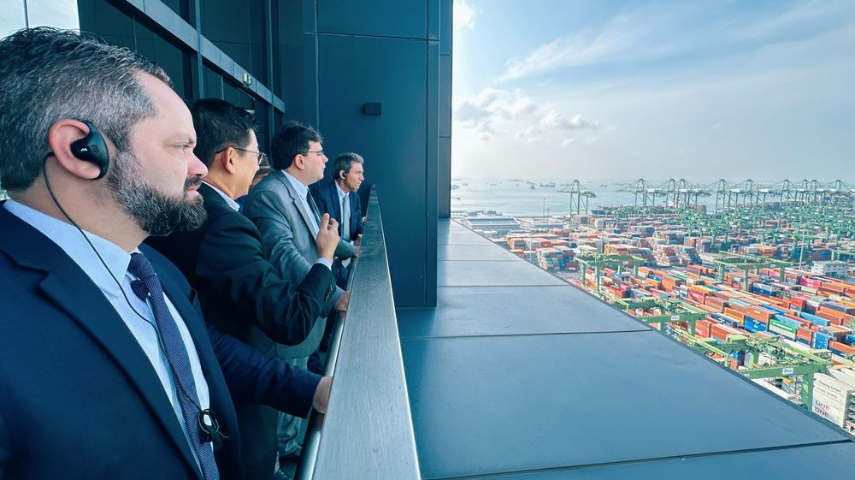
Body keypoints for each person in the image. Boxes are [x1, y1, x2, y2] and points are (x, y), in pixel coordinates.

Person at [0, 27, 329, 480]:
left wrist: (312, 391)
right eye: (181, 147)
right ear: (81, 150)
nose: (200, 167)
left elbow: (201, 347)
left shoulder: (148, 263)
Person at [146, 99, 339, 480]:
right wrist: (325, 257)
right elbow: (290, 319)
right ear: (231, 158)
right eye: (256, 156)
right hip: (238, 398)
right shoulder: (222, 224)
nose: (258, 166)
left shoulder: (184, 214)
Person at [242, 123, 355, 465]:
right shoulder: (270, 195)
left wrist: (354, 251)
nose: (326, 160)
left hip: (305, 318)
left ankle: (290, 448)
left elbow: (322, 238)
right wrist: (334, 295)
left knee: (295, 388)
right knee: (281, 398)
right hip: (288, 316)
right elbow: (283, 255)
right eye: (320, 153)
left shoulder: (300, 191)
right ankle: (278, 465)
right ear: (300, 159)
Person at [311, 152, 365, 288]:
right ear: (343, 174)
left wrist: (363, 233)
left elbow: (358, 228)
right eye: (358, 173)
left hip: (349, 262)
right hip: (330, 262)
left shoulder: (354, 197)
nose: (362, 178)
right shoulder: (320, 195)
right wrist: (352, 249)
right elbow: (321, 233)